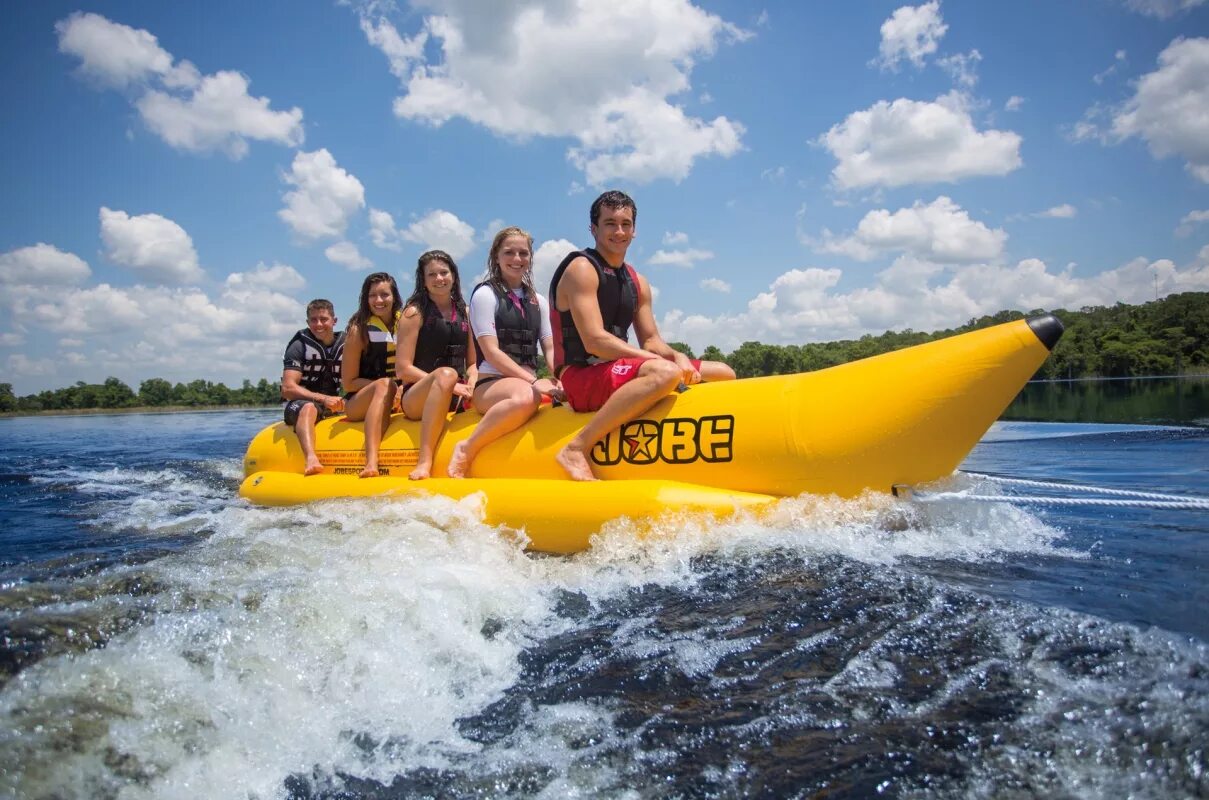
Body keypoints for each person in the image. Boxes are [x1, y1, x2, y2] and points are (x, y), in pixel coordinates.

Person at [549, 190, 736, 480]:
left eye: (626, 223)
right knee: (663, 373)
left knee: (724, 372)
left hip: (615, 370)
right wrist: (664, 364)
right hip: (581, 376)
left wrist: (678, 356)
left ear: (634, 230)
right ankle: (576, 447)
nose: (619, 231)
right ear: (594, 229)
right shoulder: (581, 269)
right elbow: (595, 341)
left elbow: (650, 340)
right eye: (610, 223)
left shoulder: (637, 281)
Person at [447, 226, 564, 478]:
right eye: (509, 252)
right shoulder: (485, 295)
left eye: (523, 253)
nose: (517, 259)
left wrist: (563, 377)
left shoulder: (538, 301)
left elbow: (551, 347)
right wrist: (534, 381)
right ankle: (466, 448)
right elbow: (491, 352)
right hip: (491, 385)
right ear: (496, 256)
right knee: (525, 397)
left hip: (527, 383)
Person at [395, 250, 477, 480]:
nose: (439, 278)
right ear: (423, 280)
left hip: (456, 392)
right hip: (416, 398)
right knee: (446, 374)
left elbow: (472, 363)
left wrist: (473, 380)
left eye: (444, 272)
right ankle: (424, 461)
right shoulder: (414, 313)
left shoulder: (466, 313)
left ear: (453, 275)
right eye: (432, 274)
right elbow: (403, 368)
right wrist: (449, 382)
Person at [342, 272, 402, 478]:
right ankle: (371, 463)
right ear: (365, 299)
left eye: (384, 295)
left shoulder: (405, 323)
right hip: (357, 402)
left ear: (394, 296)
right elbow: (349, 383)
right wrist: (386, 386)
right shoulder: (358, 330)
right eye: (372, 296)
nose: (378, 300)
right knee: (384, 385)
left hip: (398, 396)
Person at [281, 299, 347, 476]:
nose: (318, 324)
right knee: (309, 408)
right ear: (308, 322)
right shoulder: (299, 345)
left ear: (334, 321)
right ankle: (310, 458)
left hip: (333, 403)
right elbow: (288, 388)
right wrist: (323, 399)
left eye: (324, 319)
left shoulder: (348, 344)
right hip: (299, 404)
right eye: (313, 320)